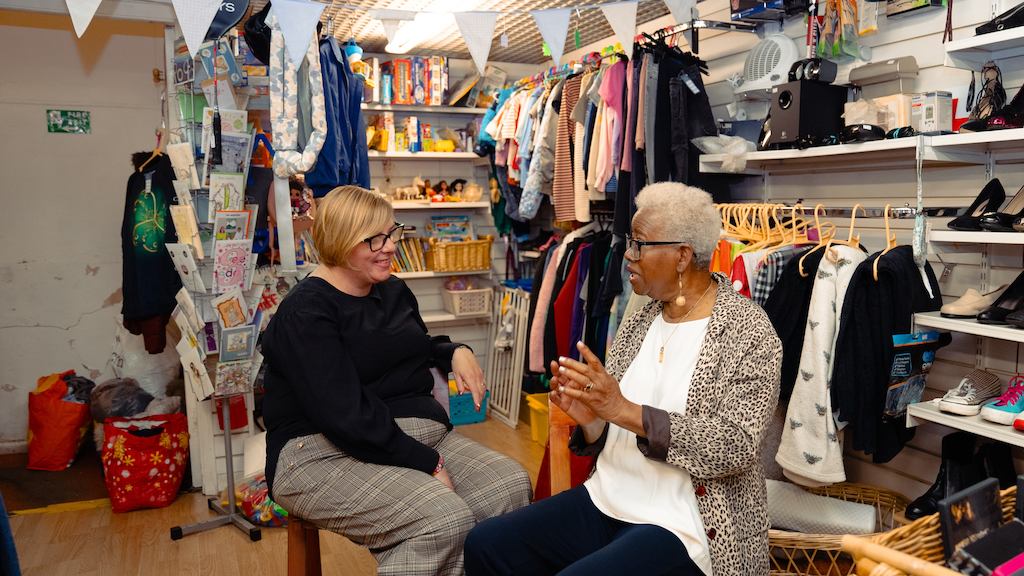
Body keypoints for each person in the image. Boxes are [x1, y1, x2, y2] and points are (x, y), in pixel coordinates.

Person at [465, 183, 783, 576]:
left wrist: (623, 409)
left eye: (640, 244)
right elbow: (611, 429)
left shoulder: (748, 332)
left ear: (682, 256)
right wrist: (592, 416)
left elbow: (733, 446)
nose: (628, 255)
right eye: (630, 242)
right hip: (607, 497)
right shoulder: (642, 320)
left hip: (686, 522)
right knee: (487, 544)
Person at [262, 185, 532, 576]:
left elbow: (410, 346)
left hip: (403, 434)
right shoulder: (305, 313)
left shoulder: (392, 291)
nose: (390, 246)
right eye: (375, 238)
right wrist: (429, 463)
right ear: (340, 239)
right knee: (441, 517)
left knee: (509, 486)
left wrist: (454, 350)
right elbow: (344, 413)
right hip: (318, 452)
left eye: (393, 233)